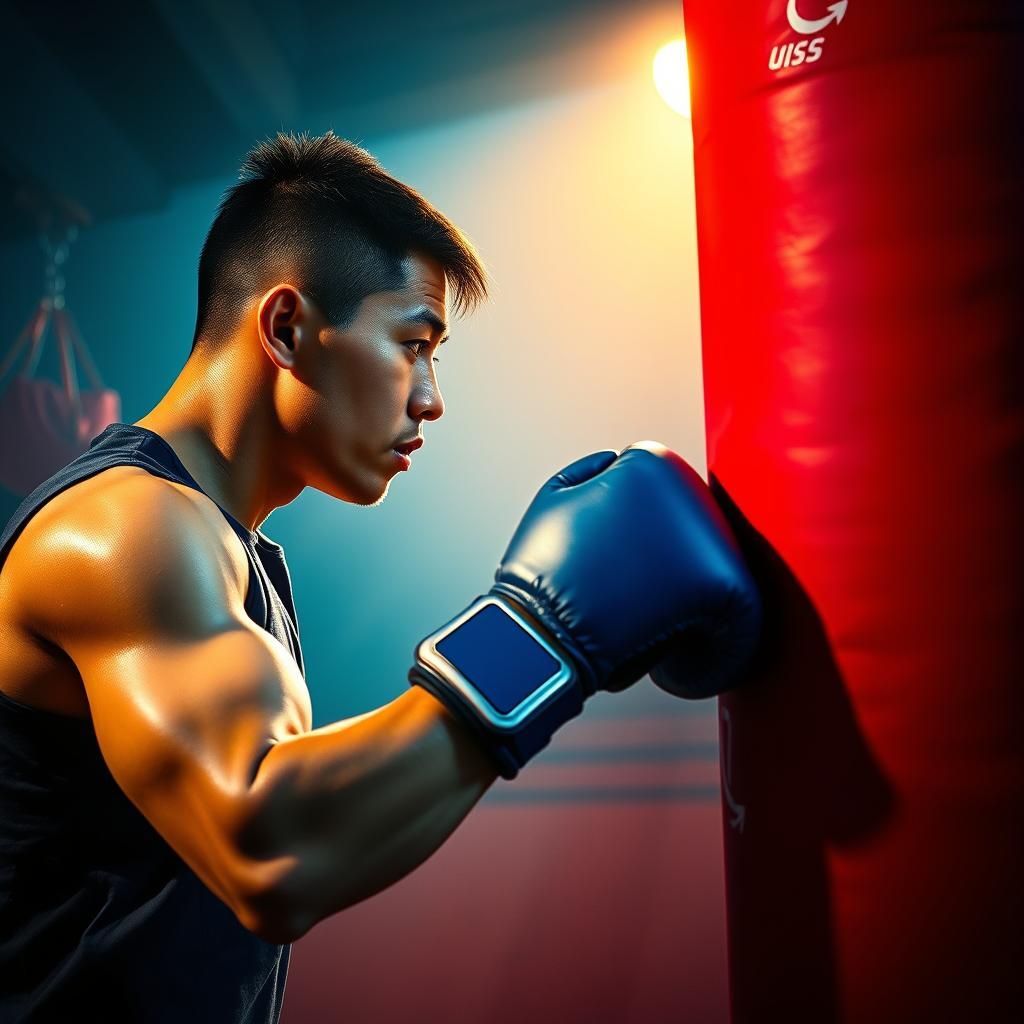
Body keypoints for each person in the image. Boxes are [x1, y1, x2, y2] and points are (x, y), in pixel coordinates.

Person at [0, 131, 761, 1023]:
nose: (431, 395)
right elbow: (268, 850)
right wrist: (542, 637)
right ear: (287, 328)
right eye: (413, 343)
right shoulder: (125, 529)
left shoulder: (216, 546)